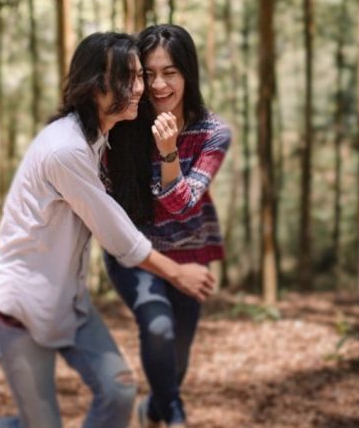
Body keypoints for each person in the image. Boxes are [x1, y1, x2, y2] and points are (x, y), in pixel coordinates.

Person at [0, 31, 215, 428]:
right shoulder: (65, 149)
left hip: (69, 304)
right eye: (128, 78)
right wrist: (177, 273)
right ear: (93, 86)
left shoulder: (98, 138)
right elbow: (116, 233)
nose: (139, 88)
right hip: (20, 311)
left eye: (138, 76)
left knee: (119, 392)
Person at [104, 24, 232, 428]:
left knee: (177, 356)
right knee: (157, 327)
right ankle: (174, 416)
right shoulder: (122, 125)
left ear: (187, 73)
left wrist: (169, 152)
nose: (159, 84)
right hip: (135, 252)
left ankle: (154, 410)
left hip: (190, 253)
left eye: (170, 72)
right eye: (148, 73)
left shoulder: (213, 134)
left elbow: (181, 205)